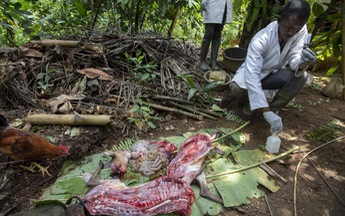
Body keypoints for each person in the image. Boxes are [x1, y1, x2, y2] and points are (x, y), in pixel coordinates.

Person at [222, 0, 316, 135]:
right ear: (279, 20)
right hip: (256, 73)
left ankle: (274, 108)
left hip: (275, 74)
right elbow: (252, 76)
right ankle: (253, 105)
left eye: (297, 29)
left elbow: (294, 61)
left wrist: (303, 62)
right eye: (288, 27)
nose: (291, 33)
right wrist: (264, 111)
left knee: (302, 77)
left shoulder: (300, 31)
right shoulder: (261, 39)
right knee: (237, 87)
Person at [199, 0, 232, 71]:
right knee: (209, 34)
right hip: (212, 5)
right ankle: (202, 61)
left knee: (217, 35)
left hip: (224, 5)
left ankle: (213, 61)